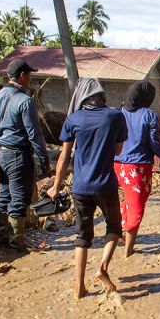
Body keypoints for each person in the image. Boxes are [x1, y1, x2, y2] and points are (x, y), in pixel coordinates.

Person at [48, 78, 128, 299]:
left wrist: (55, 186)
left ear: (81, 97)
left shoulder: (73, 119)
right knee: (114, 227)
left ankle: (78, 288)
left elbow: (64, 156)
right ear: (102, 96)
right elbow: (119, 151)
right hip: (106, 185)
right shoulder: (115, 116)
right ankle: (102, 267)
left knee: (82, 237)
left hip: (80, 186)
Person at [115, 81, 160, 258]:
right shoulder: (149, 116)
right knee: (136, 207)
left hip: (116, 166)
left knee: (122, 203)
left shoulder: (118, 113)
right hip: (137, 169)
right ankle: (128, 252)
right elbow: (155, 145)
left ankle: (119, 237)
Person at [0, 57, 51, 251]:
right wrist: (43, 158)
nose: (30, 79)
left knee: (4, 194)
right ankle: (17, 240)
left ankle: (0, 235)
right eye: (29, 75)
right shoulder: (25, 101)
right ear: (22, 76)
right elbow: (35, 133)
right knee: (19, 197)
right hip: (18, 155)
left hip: (1, 153)